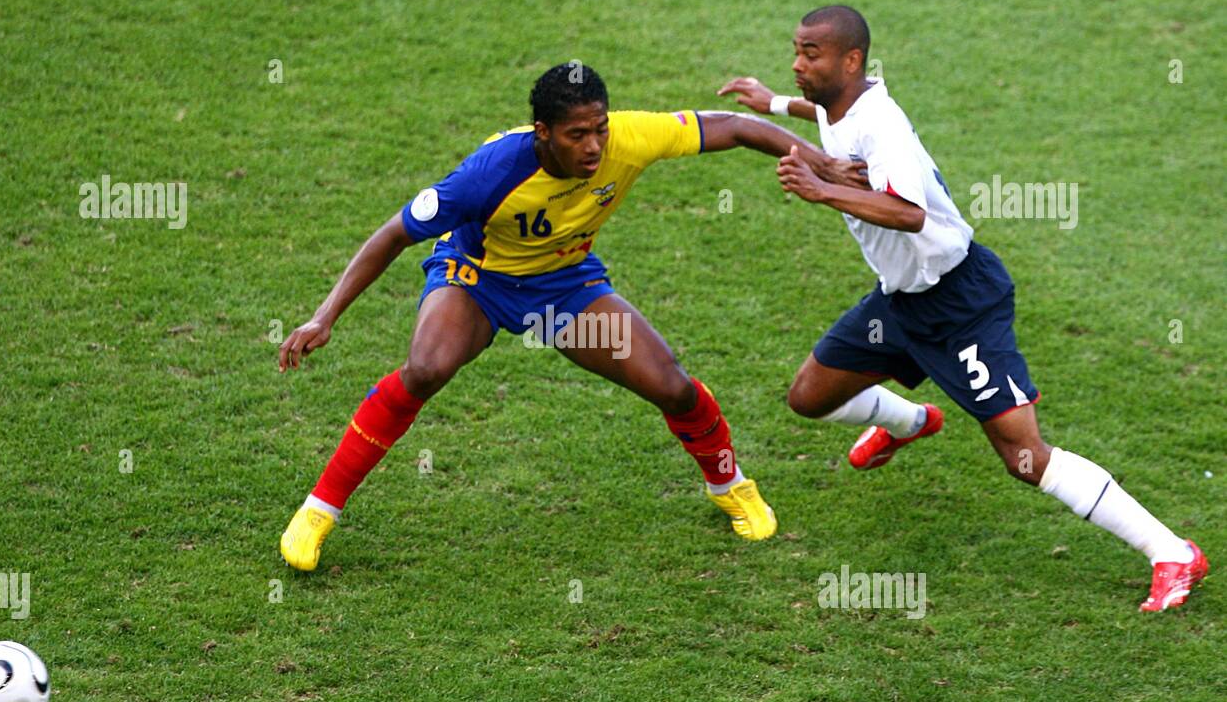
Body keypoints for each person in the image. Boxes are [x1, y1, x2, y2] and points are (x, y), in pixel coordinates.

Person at [276, 62, 867, 571]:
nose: (593, 147)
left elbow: (737, 126)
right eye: (577, 134)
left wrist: (821, 165)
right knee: (426, 369)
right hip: (478, 280)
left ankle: (730, 485)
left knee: (672, 386)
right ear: (544, 133)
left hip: (563, 290)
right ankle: (318, 511)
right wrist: (324, 317)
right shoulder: (489, 173)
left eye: (599, 130)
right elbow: (393, 235)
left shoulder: (630, 137)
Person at [718, 6, 1208, 612]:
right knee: (809, 397)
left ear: (850, 61)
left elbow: (909, 213)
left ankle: (1171, 552)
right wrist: (768, 101)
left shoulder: (882, 126)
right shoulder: (838, 103)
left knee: (1024, 456)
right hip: (900, 303)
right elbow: (816, 112)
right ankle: (912, 422)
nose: (797, 63)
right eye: (795, 50)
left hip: (958, 304)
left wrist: (823, 191)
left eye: (810, 54)